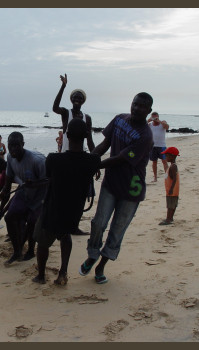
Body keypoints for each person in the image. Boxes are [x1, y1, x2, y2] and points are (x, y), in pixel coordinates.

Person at [79, 92, 154, 284]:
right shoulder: (119, 119)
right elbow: (104, 144)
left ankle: (102, 265)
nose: (137, 108)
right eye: (135, 104)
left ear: (149, 111)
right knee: (98, 223)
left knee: (117, 230)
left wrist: (95, 166)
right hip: (111, 183)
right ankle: (92, 254)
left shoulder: (145, 136)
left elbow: (120, 159)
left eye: (142, 107)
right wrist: (89, 161)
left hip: (131, 191)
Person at [32, 118, 101, 285]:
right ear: (85, 135)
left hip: (53, 209)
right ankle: (63, 271)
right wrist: (89, 135)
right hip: (73, 212)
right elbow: (96, 152)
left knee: (42, 243)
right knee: (65, 236)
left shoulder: (54, 159)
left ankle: (41, 275)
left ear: (67, 135)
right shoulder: (92, 161)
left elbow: (49, 176)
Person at [52, 73, 97, 235]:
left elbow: (90, 141)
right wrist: (63, 86)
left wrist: (95, 161)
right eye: (75, 97)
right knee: (62, 193)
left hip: (80, 158)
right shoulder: (66, 113)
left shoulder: (87, 118)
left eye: (80, 97)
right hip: (64, 158)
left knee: (79, 196)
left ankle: (74, 226)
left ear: (83, 101)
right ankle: (60, 224)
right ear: (71, 99)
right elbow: (54, 108)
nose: (77, 99)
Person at [0, 131, 47, 265]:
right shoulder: (9, 157)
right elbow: (8, 179)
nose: (13, 149)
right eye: (10, 145)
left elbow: (50, 180)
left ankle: (31, 250)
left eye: (16, 145)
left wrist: (35, 184)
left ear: (23, 144)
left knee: (32, 221)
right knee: (9, 217)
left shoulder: (37, 160)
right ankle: (17, 251)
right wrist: (4, 191)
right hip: (24, 191)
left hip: (40, 195)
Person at [159, 147, 180, 226]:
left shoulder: (173, 166)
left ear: (172, 156)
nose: (165, 157)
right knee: (172, 204)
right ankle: (170, 218)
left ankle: (169, 218)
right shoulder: (172, 166)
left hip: (172, 190)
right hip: (172, 190)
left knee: (170, 205)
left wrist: (171, 189)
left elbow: (174, 179)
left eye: (167, 156)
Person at [147, 112, 169, 182]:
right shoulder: (150, 125)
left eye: (156, 117)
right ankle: (155, 178)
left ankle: (167, 177)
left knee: (164, 161)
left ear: (158, 117)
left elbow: (167, 127)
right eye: (153, 117)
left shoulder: (162, 123)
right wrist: (148, 120)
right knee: (154, 162)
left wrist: (158, 121)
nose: (155, 119)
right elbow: (141, 127)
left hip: (162, 146)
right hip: (153, 146)